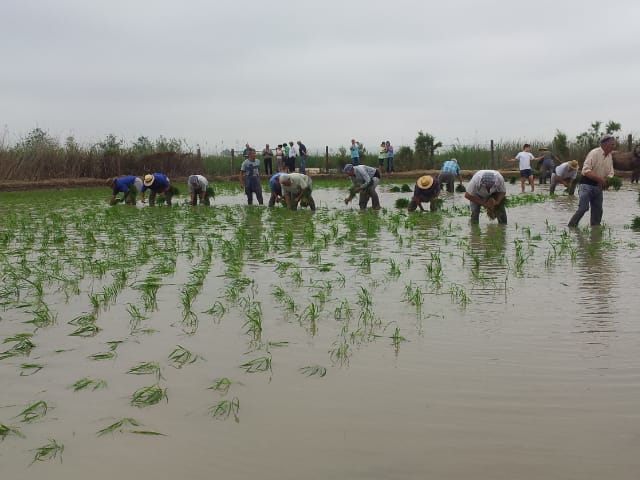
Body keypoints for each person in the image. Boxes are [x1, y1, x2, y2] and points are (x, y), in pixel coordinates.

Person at [568, 135, 616, 228]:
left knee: (598, 211)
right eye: (612, 144)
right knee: (584, 208)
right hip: (586, 185)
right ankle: (571, 227)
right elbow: (586, 170)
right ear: (605, 144)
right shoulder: (594, 153)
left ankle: (595, 232)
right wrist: (600, 179)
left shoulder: (610, 156)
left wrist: (606, 181)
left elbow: (611, 173)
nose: (614, 146)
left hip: (598, 186)